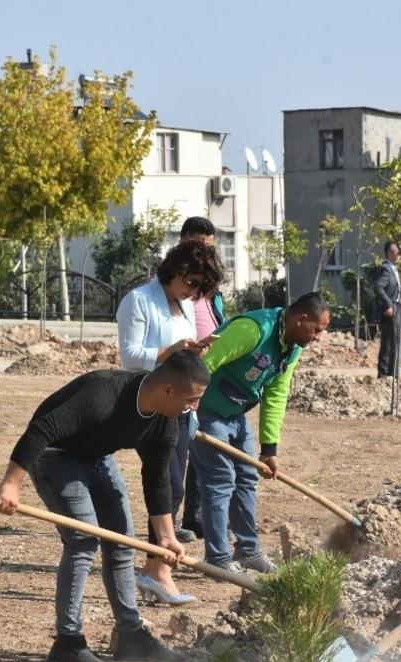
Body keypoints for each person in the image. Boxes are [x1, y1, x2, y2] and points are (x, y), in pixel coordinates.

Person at [0, 351, 209, 662]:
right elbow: (41, 430)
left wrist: (165, 537)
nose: (194, 407)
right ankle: (67, 643)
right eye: (191, 400)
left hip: (97, 456)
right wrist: (11, 484)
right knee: (82, 540)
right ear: (167, 390)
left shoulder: (165, 424)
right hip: (55, 455)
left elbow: (157, 478)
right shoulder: (103, 393)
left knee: (122, 541)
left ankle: (130, 636)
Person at [189, 292, 330, 573]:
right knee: (220, 480)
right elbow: (203, 363)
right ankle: (218, 558)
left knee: (247, 477)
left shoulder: (292, 348)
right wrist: (188, 407)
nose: (318, 337)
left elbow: (276, 395)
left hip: (236, 414)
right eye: (316, 329)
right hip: (207, 411)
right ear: (301, 319)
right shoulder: (253, 329)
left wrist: (269, 449)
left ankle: (248, 550)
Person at [115, 239, 222, 604]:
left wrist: (192, 353)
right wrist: (172, 352)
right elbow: (130, 356)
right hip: (152, 407)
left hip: (180, 408)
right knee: (169, 485)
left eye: (199, 288)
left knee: (172, 489)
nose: (193, 292)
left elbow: (179, 358)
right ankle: (157, 570)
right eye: (191, 282)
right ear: (175, 269)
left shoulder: (185, 305)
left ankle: (155, 569)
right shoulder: (139, 300)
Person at [178, 216, 224, 541]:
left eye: (208, 247)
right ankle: (166, 522)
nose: (203, 252)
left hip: (208, 370)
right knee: (175, 446)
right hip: (181, 368)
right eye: (198, 245)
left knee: (199, 443)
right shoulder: (173, 279)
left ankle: (193, 517)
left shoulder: (211, 284)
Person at [372, 241, 401, 378]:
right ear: (390, 253)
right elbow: (378, 287)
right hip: (391, 309)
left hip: (396, 306)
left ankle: (384, 373)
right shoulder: (386, 269)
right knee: (394, 341)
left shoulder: (394, 268)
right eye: (398, 251)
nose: (400, 254)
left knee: (388, 341)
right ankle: (391, 374)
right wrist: (388, 305)